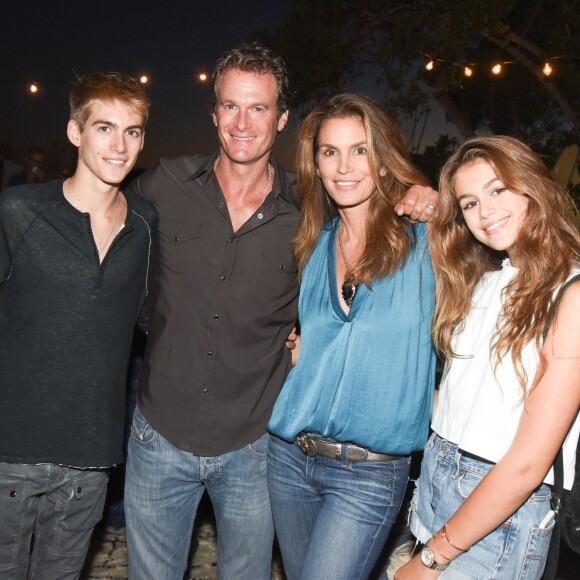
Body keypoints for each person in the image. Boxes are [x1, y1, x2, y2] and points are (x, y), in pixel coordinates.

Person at [124, 41, 438, 580]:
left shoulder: (307, 217)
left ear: (282, 118)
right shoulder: (163, 184)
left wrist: (427, 195)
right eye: (231, 106)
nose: (243, 122)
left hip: (255, 448)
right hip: (159, 435)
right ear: (214, 112)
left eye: (260, 108)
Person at [266, 92, 437, 579]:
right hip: (290, 458)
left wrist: (440, 200)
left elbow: (494, 233)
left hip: (370, 472)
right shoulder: (313, 247)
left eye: (360, 150)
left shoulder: (426, 242)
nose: (344, 166)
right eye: (329, 152)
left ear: (383, 160)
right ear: (315, 166)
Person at [396, 136, 580, 579]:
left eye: (498, 190)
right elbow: (461, 406)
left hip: (500, 514)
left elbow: (528, 463)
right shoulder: (486, 282)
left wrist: (431, 558)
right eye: (469, 202)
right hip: (438, 481)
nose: (485, 212)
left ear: (532, 187)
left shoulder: (571, 294)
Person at [0, 72, 156, 579]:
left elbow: (156, 319)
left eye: (132, 131)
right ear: (75, 133)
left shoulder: (145, 225)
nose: (119, 145)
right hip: (9, 455)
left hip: (90, 459)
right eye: (104, 128)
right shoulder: (19, 212)